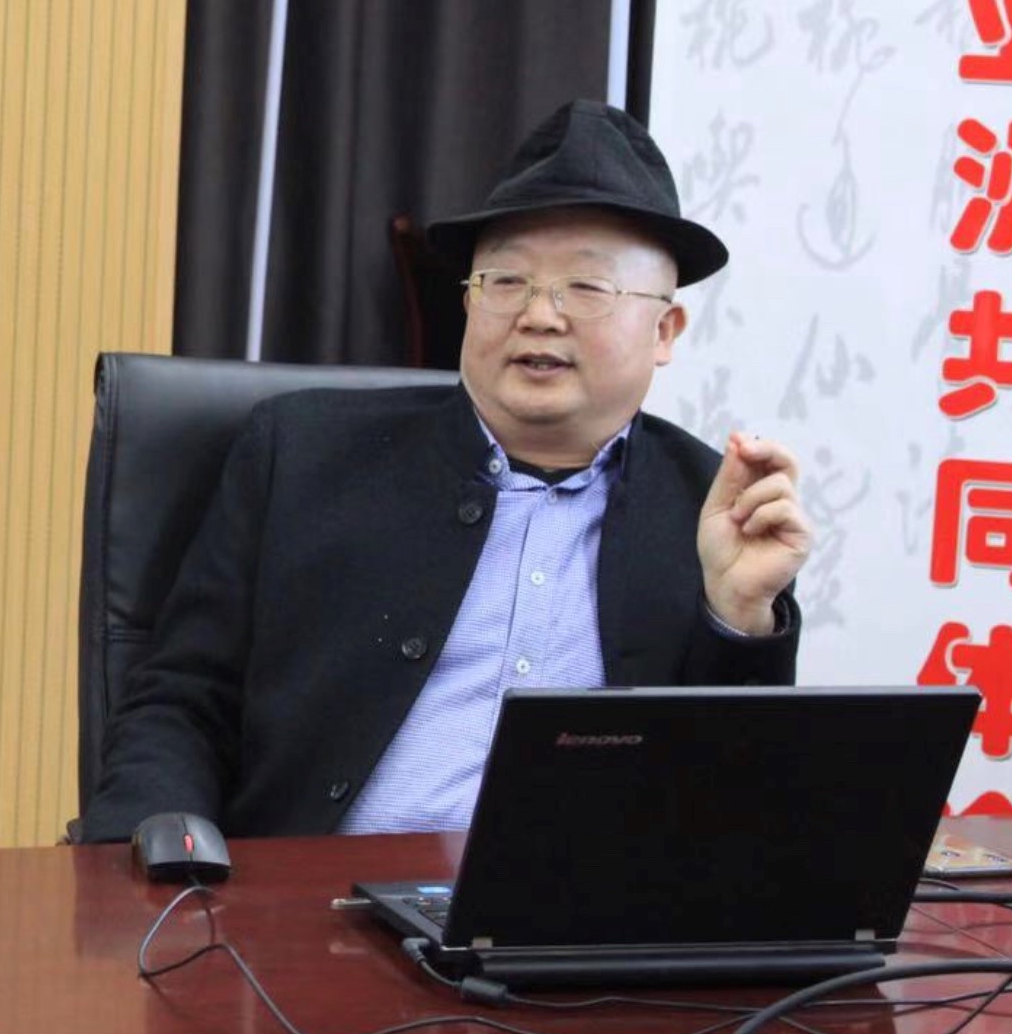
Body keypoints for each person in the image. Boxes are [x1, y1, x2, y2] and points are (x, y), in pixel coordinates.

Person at [81, 100, 811, 841]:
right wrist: (154, 868)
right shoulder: (299, 454)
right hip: (318, 895)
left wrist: (738, 618)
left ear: (664, 331)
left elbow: (735, 805)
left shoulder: (711, 508)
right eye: (505, 280)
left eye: (587, 288)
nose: (539, 315)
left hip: (586, 908)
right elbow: (182, 702)